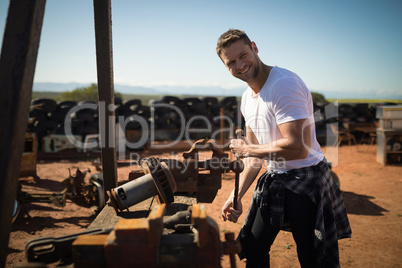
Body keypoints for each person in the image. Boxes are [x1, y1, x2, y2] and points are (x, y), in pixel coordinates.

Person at [216, 29, 351, 268]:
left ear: (255, 48)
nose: (240, 65)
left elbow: (296, 148)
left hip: (307, 180)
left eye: (243, 55)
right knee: (254, 248)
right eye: (231, 63)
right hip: (276, 178)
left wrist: (247, 150)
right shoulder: (247, 98)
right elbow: (256, 157)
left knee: (311, 257)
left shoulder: (284, 84)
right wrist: (235, 195)